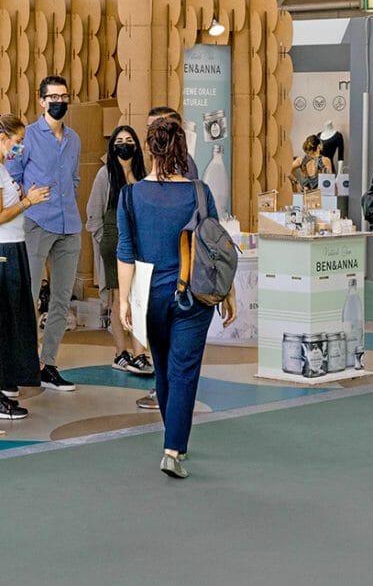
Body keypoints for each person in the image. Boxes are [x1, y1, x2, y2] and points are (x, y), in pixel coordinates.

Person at [117, 117, 236, 479]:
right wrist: (227, 291)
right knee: (184, 369)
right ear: (183, 150)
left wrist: (123, 300)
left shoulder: (131, 195)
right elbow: (217, 248)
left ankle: (175, 438)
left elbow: (125, 250)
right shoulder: (200, 193)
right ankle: (173, 448)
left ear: (149, 150)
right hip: (194, 294)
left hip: (149, 294)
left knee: (165, 367)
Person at [0, 111, 51, 419]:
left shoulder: (1, 168)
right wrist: (27, 201)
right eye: (18, 141)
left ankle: (5, 388)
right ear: (2, 139)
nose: (21, 147)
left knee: (14, 320)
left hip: (12, 246)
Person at [7, 76, 81, 392]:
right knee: (29, 296)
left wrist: (69, 193)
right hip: (36, 222)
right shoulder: (27, 137)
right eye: (53, 96)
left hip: (70, 226)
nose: (59, 101)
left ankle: (47, 364)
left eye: (64, 96)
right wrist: (29, 198)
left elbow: (75, 178)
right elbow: (11, 175)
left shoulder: (74, 139)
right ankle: (20, 366)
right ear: (41, 101)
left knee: (62, 299)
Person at [135, 107, 196, 410]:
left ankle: (173, 433)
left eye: (157, 129)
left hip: (181, 283)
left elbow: (202, 230)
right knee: (169, 359)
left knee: (177, 361)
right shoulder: (143, 185)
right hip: (160, 284)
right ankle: (171, 417)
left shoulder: (189, 178)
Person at [86, 125, 153, 376]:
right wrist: (105, 240)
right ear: (113, 146)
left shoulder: (143, 175)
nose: (124, 144)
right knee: (119, 298)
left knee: (139, 298)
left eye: (129, 140)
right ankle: (121, 352)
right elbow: (93, 213)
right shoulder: (106, 175)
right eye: (119, 140)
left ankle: (140, 353)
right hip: (114, 241)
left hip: (140, 242)